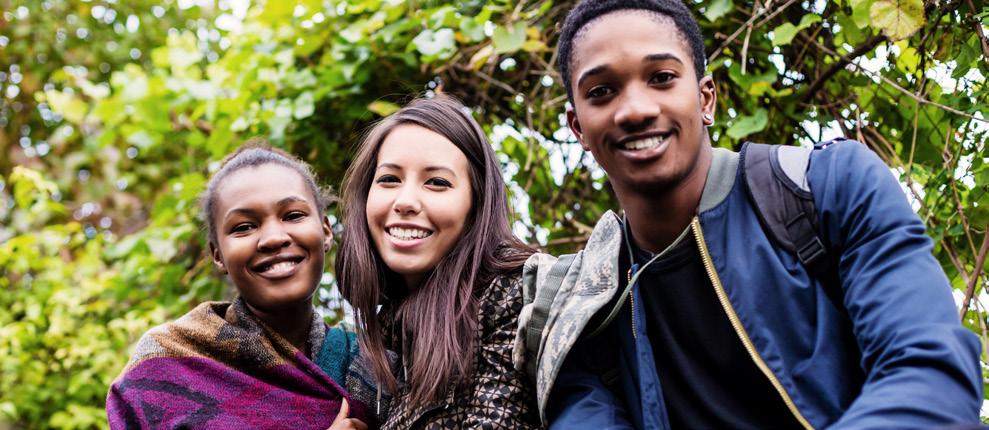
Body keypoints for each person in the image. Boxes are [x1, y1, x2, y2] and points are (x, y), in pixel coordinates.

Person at [513, 1, 983, 428]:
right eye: (602, 91)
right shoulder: (579, 305)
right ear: (577, 126)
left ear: (706, 99)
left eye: (661, 78)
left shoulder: (828, 187)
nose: (635, 110)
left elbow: (930, 373)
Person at [107, 143, 375, 429]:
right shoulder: (165, 366)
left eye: (293, 215)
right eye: (244, 227)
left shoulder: (376, 364)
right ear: (217, 255)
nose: (273, 238)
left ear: (325, 230)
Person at [335, 95, 541, 428]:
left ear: (476, 204)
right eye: (389, 179)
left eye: (437, 183)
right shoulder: (382, 336)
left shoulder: (512, 295)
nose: (406, 201)